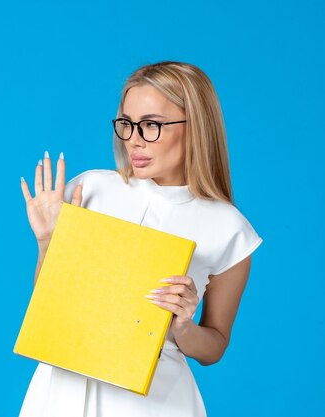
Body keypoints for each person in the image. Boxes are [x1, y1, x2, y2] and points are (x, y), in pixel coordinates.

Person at [17, 61, 263, 417]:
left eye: (151, 125)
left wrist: (182, 325)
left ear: (196, 127)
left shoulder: (229, 229)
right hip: (60, 392)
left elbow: (214, 346)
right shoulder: (91, 190)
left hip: (154, 402)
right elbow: (48, 309)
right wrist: (47, 243)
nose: (133, 138)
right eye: (127, 124)